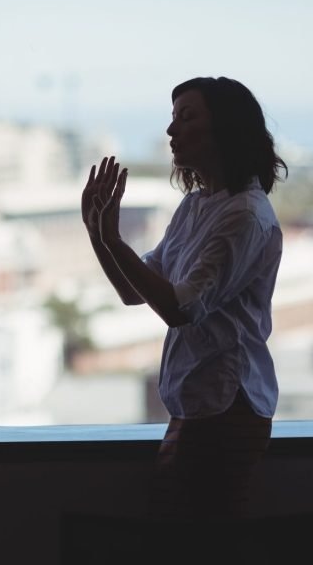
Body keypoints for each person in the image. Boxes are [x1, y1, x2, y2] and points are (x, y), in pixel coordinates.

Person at [82, 76, 286, 528]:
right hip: (200, 406)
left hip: (226, 404)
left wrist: (111, 238)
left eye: (187, 118)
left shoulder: (245, 215)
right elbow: (135, 292)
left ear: (226, 128)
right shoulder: (197, 206)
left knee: (194, 539)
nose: (172, 131)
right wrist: (99, 236)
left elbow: (180, 309)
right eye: (173, 119)